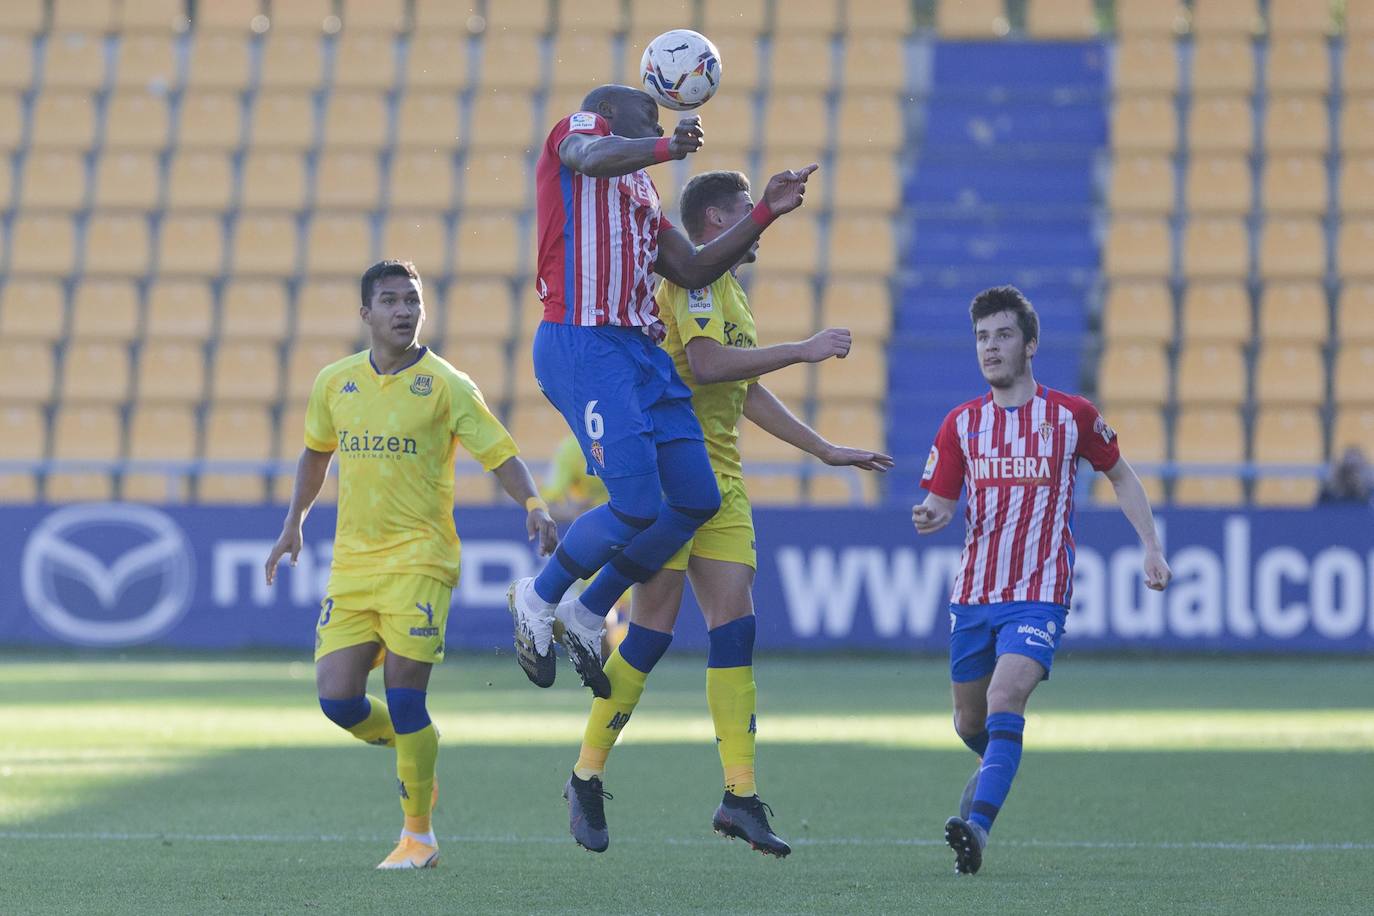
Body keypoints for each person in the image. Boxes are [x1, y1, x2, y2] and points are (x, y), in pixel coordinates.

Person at [560, 169, 894, 855]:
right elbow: (709, 364)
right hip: (675, 474)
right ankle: (585, 774)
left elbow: (742, 387)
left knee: (735, 626)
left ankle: (739, 796)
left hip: (726, 482)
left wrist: (823, 448)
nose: (755, 222)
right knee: (651, 632)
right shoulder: (693, 281)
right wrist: (802, 349)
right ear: (715, 218)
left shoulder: (728, 289)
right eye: (745, 209)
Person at [507, 84, 818, 701]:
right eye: (649, 115)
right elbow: (592, 157)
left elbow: (697, 267)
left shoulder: (642, 194)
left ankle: (587, 611)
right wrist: (662, 145)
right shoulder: (579, 135)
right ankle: (537, 595)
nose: (662, 122)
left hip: (638, 352)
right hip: (583, 340)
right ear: (610, 117)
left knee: (696, 496)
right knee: (635, 504)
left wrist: (767, 213)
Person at [264, 260, 559, 870]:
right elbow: (316, 453)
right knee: (337, 701)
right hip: (352, 567)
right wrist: (294, 521)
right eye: (391, 301)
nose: (404, 311)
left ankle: (417, 837)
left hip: (421, 563)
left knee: (404, 698)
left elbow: (500, 453)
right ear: (366, 313)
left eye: (413, 300)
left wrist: (532, 503)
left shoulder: (447, 384)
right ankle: (417, 749)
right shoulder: (335, 381)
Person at [911, 286, 1171, 876]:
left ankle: (976, 827)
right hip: (974, 595)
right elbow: (941, 504)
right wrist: (931, 515)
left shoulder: (1071, 416)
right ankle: (996, 767)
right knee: (970, 722)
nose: (991, 347)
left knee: (1006, 699)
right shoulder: (962, 424)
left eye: (1003, 335)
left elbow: (1123, 478)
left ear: (1030, 344)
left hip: (1038, 594)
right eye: (982, 337)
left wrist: (1151, 547)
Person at [541, 433, 628, 653]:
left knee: (645, 622)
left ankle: (619, 666)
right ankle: (605, 669)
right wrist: (572, 510)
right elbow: (548, 503)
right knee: (599, 616)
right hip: (601, 544)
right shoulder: (572, 449)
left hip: (642, 537)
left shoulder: (632, 434)